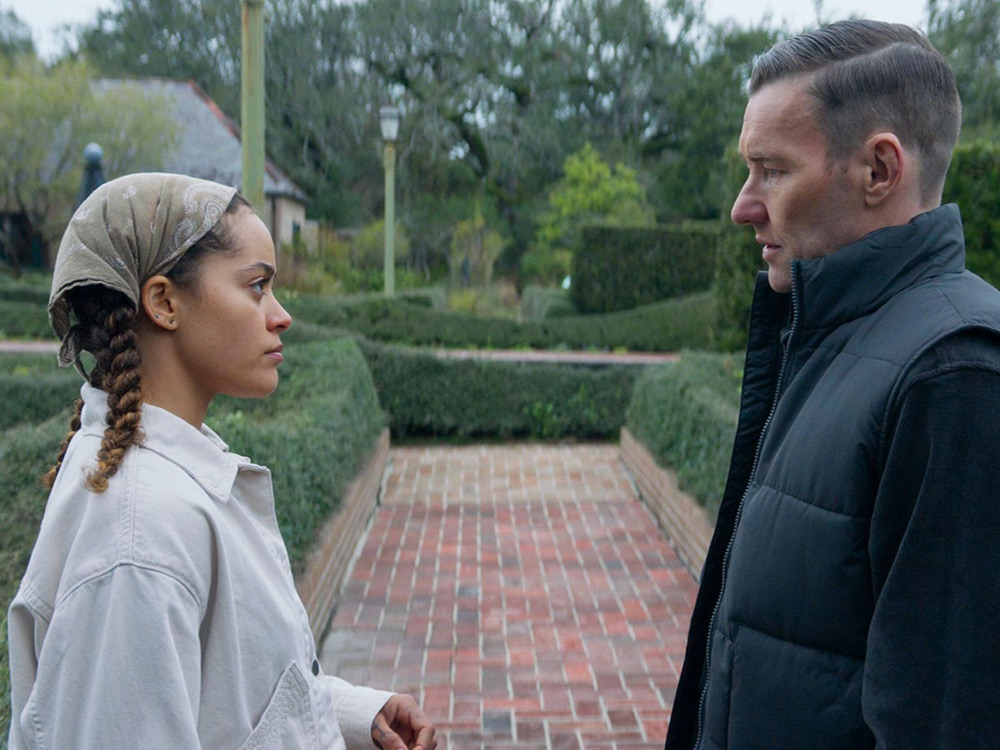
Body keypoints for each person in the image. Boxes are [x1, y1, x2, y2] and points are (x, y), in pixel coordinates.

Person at [7, 173, 437, 750]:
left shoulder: (163, 483)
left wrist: (353, 715)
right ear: (163, 302)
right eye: (256, 286)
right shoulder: (141, 531)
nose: (280, 315)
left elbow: (226, 692)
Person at [664, 20, 1000, 750]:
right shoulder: (834, 337)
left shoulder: (955, 376)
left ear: (880, 171)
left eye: (773, 169)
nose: (743, 205)